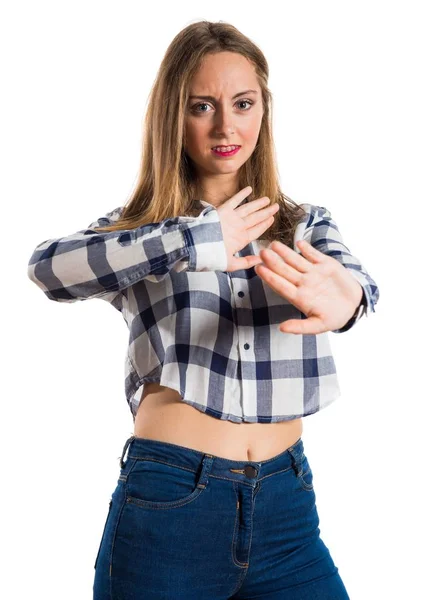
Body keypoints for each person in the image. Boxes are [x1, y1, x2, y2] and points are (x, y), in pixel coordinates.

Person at [27, 20, 379, 600]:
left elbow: (354, 283)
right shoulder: (141, 234)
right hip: (170, 504)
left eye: (243, 104)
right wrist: (192, 241)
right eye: (201, 106)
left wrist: (348, 301)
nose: (226, 126)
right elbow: (47, 269)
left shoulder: (303, 225)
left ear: (263, 111)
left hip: (287, 505)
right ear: (175, 116)